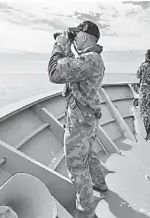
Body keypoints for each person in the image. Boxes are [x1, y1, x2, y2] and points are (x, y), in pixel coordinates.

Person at [47, 21, 108, 218]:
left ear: (84, 36)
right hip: (86, 118)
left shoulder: (90, 59)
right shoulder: (91, 59)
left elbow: (55, 73)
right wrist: (68, 48)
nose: (74, 38)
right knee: (88, 152)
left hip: (80, 121)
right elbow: (73, 69)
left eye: (76, 35)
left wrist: (59, 46)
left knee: (77, 166)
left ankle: (85, 211)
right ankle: (99, 182)